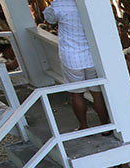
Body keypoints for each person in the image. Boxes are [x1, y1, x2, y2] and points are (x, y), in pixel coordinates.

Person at [43, 0, 110, 131]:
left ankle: (84, 126)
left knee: (77, 94)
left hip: (71, 57)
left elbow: (49, 18)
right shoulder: (90, 3)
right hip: (92, 55)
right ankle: (105, 126)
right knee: (97, 93)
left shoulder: (59, 5)